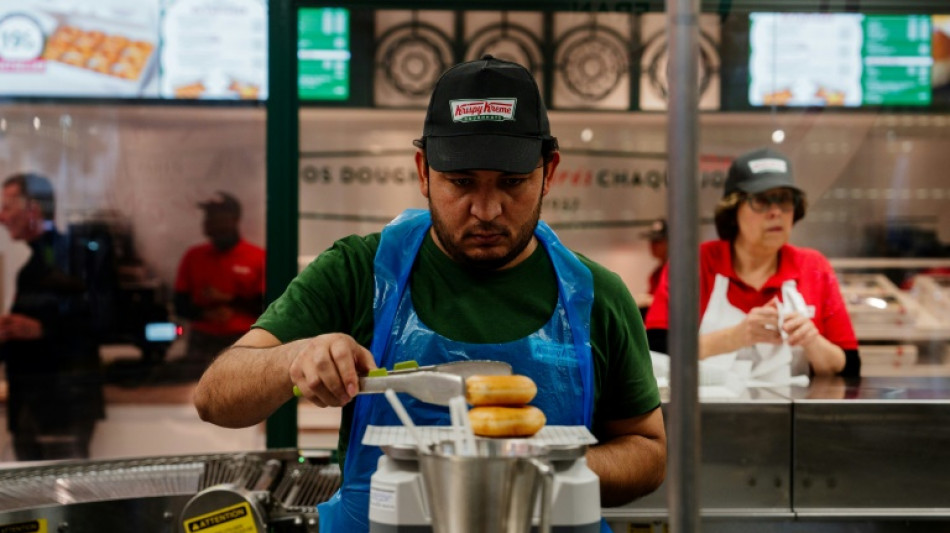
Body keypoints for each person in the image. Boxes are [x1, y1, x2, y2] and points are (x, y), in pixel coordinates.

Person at [194, 55, 666, 531]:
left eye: (513, 183)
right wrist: (291, 358)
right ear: (423, 171)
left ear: (550, 171)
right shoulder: (357, 273)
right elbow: (215, 396)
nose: (486, 209)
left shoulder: (594, 296)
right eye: (460, 183)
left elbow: (647, 451)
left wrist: (543, 471)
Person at [644, 148, 861, 378]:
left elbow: (850, 365)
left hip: (795, 412)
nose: (776, 212)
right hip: (708, 411)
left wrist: (813, 342)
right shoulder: (695, 264)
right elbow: (656, 347)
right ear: (733, 208)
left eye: (785, 200)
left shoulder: (814, 267)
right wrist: (734, 338)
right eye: (762, 200)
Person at [0, 172, 105, 460]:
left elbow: (101, 321)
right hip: (30, 403)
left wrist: (42, 329)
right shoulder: (33, 267)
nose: (2, 217)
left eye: (7, 207)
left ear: (32, 210)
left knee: (64, 499)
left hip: (63, 404)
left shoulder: (71, 257)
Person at [171, 191, 265, 381]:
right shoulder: (193, 256)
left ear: (234, 218)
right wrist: (205, 314)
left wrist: (230, 300)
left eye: (217, 215)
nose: (210, 221)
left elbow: (267, 306)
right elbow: (179, 304)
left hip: (244, 339)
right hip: (201, 340)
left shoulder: (257, 257)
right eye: (208, 215)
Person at [636, 218, 668, 316]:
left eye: (658, 241)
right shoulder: (656, 273)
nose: (652, 245)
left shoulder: (675, 272)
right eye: (652, 240)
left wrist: (650, 301)